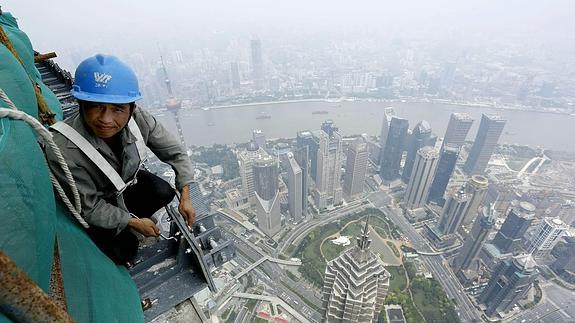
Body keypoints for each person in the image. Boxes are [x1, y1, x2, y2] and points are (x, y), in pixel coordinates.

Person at [45, 54, 196, 265]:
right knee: (124, 251)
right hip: (95, 203)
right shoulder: (62, 148)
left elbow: (175, 152)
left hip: (123, 188)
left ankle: (129, 221)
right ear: (81, 104)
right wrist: (132, 222)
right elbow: (89, 207)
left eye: (117, 109)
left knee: (165, 192)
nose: (106, 120)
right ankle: (117, 231)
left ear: (131, 108)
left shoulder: (137, 118)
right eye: (96, 106)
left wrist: (186, 195)